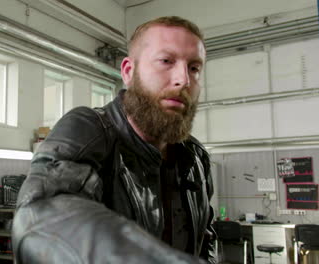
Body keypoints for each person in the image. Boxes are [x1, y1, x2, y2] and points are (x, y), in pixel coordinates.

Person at [13, 16, 216, 264]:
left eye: (194, 68)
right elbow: (40, 214)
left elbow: (204, 239)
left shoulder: (195, 157)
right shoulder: (89, 129)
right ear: (129, 72)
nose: (183, 79)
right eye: (166, 61)